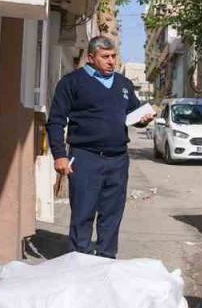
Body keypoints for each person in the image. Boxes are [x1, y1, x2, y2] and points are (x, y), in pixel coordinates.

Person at [46, 36, 152, 258]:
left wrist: (143, 119)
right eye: (105, 57)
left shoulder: (124, 84)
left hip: (118, 160)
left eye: (113, 56)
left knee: (112, 216)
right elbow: (56, 120)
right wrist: (59, 155)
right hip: (85, 158)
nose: (111, 61)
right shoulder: (72, 82)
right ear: (91, 57)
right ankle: (79, 261)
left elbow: (133, 114)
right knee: (83, 214)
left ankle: (107, 260)